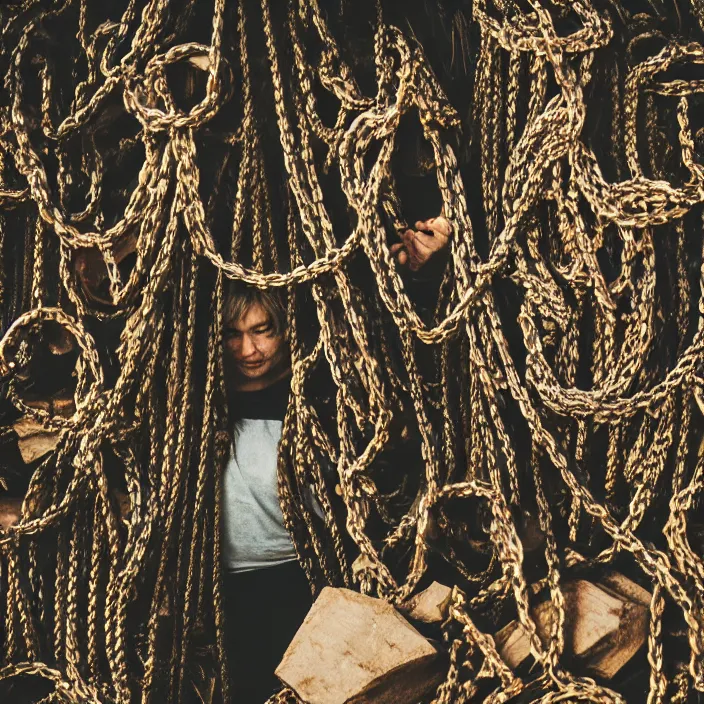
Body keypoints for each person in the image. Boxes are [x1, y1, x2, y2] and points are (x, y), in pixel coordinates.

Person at [221, 217, 452, 703]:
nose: (249, 350)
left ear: (286, 329)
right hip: (228, 586)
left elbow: (405, 352)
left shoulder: (324, 392)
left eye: (262, 331)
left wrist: (415, 273)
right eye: (234, 335)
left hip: (310, 575)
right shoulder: (196, 410)